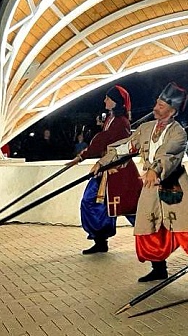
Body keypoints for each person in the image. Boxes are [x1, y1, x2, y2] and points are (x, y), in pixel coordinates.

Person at [99, 82, 188, 284]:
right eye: (156, 103)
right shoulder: (145, 128)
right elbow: (126, 147)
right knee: (149, 227)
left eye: (161, 106)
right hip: (150, 186)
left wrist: (154, 170)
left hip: (174, 186)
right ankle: (159, 269)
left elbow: (168, 154)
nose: (155, 108)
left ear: (172, 111)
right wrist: (103, 163)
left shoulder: (178, 133)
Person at [68, 85, 135, 254]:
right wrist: (82, 156)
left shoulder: (121, 122)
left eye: (108, 98)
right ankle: (100, 241)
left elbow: (106, 142)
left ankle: (156, 241)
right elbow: (101, 141)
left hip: (118, 171)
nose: (105, 100)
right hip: (106, 168)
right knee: (93, 202)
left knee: (133, 208)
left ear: (115, 101)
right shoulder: (111, 119)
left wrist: (82, 156)